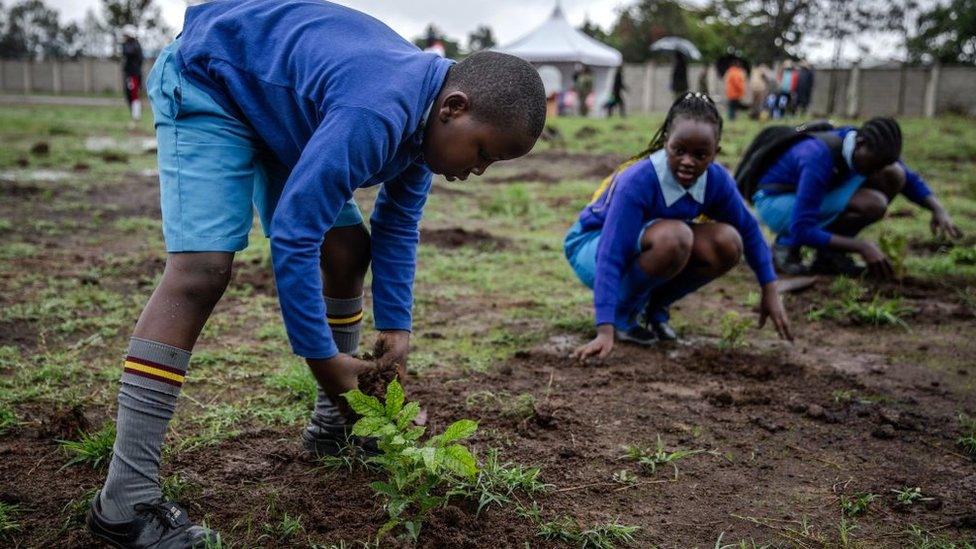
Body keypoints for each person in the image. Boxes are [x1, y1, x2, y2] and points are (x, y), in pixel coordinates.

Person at [85, 1, 546, 546]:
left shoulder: (426, 130)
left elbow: (396, 226)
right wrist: (323, 360)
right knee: (201, 273)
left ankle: (333, 425)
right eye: (484, 152)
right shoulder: (377, 112)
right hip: (211, 83)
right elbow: (296, 233)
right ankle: (125, 499)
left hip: (281, 113)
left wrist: (396, 330)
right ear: (454, 107)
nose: (477, 170)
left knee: (347, 247)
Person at [566, 92, 792, 360]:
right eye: (679, 150)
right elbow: (611, 252)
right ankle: (622, 313)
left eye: (700, 155)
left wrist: (769, 288)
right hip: (592, 244)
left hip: (648, 245)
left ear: (715, 153)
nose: (688, 161)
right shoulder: (638, 180)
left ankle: (654, 309)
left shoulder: (716, 181)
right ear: (666, 143)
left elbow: (750, 232)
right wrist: (605, 327)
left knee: (728, 242)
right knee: (675, 237)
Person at [752, 117, 961, 277]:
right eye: (875, 164)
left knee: (895, 174)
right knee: (872, 203)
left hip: (805, 197)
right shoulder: (818, 158)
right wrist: (862, 246)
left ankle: (829, 256)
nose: (876, 172)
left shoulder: (862, 148)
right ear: (860, 144)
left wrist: (937, 209)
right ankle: (786, 246)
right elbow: (802, 228)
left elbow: (908, 178)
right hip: (774, 202)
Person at [121, 25, 143, 126]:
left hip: (133, 74)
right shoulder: (131, 45)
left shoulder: (134, 45)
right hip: (131, 74)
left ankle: (136, 116)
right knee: (129, 95)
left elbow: (128, 52)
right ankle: (135, 115)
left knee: (133, 95)